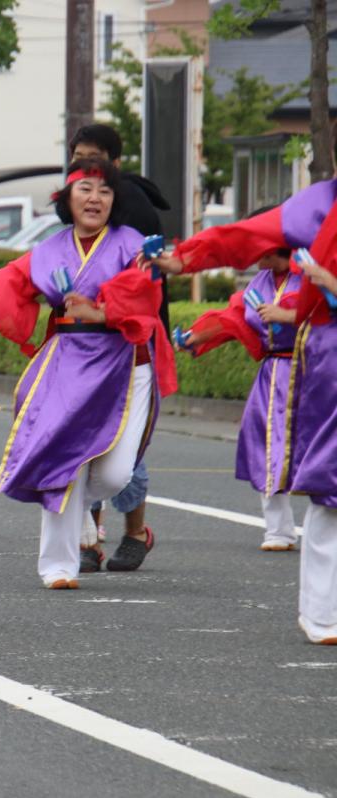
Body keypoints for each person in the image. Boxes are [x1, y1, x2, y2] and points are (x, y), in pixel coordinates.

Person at [0, 159, 176, 589]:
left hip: (127, 364)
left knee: (115, 475)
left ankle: (70, 507)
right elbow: (9, 286)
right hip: (68, 362)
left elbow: (143, 296)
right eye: (85, 188)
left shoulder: (132, 244)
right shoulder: (50, 249)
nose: (95, 198)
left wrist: (102, 309)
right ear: (67, 198)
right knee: (64, 462)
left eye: (105, 191)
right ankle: (57, 566)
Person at [150, 181, 337, 645]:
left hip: (306, 361)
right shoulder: (317, 207)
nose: (266, 259)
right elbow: (241, 244)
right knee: (319, 478)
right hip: (315, 363)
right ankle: (321, 609)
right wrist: (185, 260)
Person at [68, 123, 172, 573]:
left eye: (94, 156)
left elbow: (146, 284)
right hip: (85, 346)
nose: (84, 165)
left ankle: (135, 531)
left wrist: (110, 312)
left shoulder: (133, 209)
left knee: (125, 449)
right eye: (77, 156)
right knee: (85, 438)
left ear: (115, 161)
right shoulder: (71, 201)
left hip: (132, 342)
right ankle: (88, 538)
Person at [175, 245, 301, 551]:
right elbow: (232, 317)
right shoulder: (260, 281)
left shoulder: (312, 271)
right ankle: (278, 529)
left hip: (318, 369)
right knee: (266, 445)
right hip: (273, 374)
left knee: (321, 446)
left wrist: (286, 314)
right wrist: (195, 337)